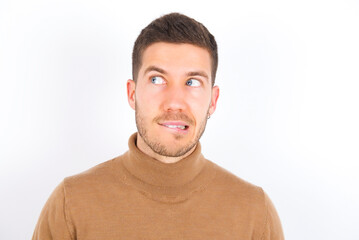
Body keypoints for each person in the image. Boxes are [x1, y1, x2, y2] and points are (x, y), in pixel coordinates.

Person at [32, 13, 284, 239]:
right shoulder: (71, 204)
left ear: (213, 100)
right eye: (157, 79)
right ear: (132, 94)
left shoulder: (254, 212)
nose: (174, 102)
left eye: (193, 82)